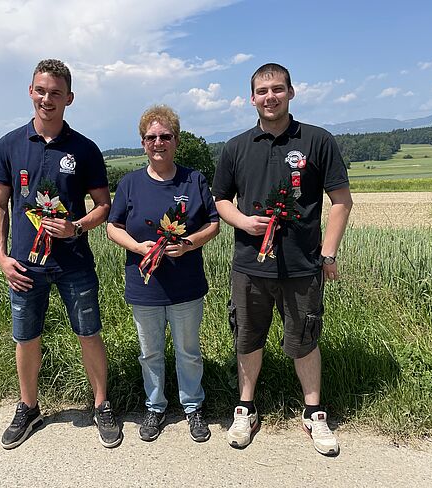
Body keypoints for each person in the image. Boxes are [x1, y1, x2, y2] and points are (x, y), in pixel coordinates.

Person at [211, 63, 353, 456]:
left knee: (305, 339)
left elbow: (341, 201)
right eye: (262, 91)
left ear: (291, 92)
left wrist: (327, 253)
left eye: (277, 89)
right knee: (247, 335)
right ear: (251, 98)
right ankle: (246, 408)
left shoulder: (317, 140)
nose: (269, 96)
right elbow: (220, 199)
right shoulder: (236, 147)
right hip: (249, 265)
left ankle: (314, 413)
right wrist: (242, 221)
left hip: (302, 265)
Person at [0, 59, 121, 449]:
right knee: (26, 338)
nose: (48, 99)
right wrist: (1, 256)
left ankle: (101, 404)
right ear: (31, 91)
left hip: (73, 264)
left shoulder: (84, 149)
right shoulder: (9, 144)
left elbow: (103, 205)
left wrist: (76, 227)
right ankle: (28, 407)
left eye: (56, 93)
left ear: (70, 98)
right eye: (41, 90)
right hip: (23, 265)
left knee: (89, 333)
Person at [106, 105, 219, 442]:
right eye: (151, 137)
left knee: (188, 350)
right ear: (143, 143)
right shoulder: (129, 184)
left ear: (176, 140)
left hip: (186, 286)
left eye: (165, 136)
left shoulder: (194, 179)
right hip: (145, 286)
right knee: (150, 352)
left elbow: (213, 223)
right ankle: (154, 407)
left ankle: (193, 406)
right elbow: (113, 227)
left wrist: (189, 244)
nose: (159, 142)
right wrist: (139, 248)